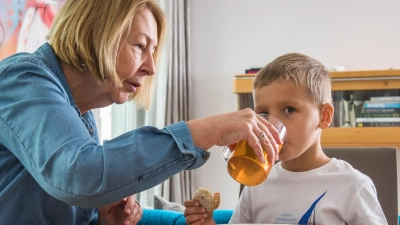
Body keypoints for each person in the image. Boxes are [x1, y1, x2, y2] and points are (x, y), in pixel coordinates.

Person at [0, 0, 283, 224]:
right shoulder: (22, 79)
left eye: (154, 50)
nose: (151, 67)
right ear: (97, 31)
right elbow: (80, 172)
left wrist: (101, 221)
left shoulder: (81, 115)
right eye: (140, 46)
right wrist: (205, 131)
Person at [183, 53, 388, 224]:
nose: (271, 125)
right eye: (263, 114)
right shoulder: (256, 185)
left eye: (289, 109)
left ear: (324, 116)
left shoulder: (352, 186)